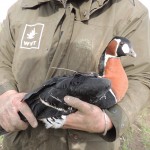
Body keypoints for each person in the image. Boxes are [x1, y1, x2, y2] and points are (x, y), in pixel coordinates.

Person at [0, 0, 149, 149]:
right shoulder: (22, 8)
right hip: (21, 140)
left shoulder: (131, 13)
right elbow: (2, 59)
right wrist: (5, 93)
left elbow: (142, 74)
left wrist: (109, 119)